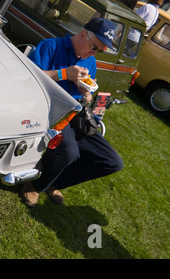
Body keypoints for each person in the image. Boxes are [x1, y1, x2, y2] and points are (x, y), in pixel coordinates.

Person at [22, 18, 124, 208]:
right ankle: (36, 184)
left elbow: (86, 93)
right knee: (70, 152)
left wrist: (86, 93)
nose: (94, 53)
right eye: (94, 47)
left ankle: (55, 181)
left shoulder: (90, 61)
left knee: (112, 161)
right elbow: (27, 77)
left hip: (76, 114)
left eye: (99, 50)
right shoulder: (50, 45)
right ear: (84, 33)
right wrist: (63, 74)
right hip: (50, 109)